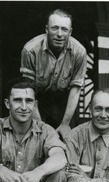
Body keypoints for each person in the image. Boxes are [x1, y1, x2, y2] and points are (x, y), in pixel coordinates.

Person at [20, 9, 87, 139]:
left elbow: (76, 89)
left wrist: (65, 123)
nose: (60, 34)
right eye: (55, 28)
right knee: (37, 138)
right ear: (47, 29)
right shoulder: (30, 50)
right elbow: (29, 90)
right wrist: (39, 125)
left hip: (65, 101)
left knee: (66, 140)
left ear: (70, 32)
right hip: (38, 99)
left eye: (64, 29)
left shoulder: (80, 52)